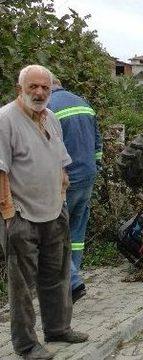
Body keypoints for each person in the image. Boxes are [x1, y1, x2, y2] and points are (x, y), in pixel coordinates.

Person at [0, 65, 89, 359]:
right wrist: (9, 213)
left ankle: (58, 328)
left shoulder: (50, 118)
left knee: (57, 275)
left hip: (54, 211)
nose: (39, 93)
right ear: (20, 89)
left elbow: (61, 160)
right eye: (33, 87)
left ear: (51, 91)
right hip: (22, 215)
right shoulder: (5, 120)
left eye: (45, 88)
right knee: (22, 286)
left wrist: (62, 193)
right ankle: (26, 345)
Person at [48, 77, 102, 303]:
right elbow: (98, 144)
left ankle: (71, 282)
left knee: (54, 231)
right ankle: (73, 278)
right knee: (76, 233)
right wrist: (95, 167)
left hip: (64, 179)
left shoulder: (48, 107)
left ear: (48, 86)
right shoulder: (83, 103)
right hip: (87, 176)